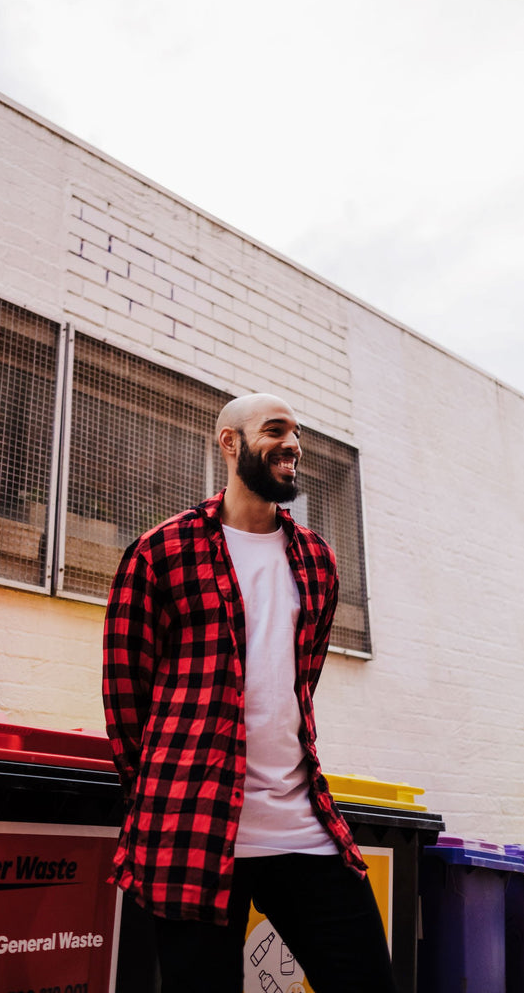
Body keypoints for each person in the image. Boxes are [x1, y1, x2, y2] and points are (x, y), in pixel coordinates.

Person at [103, 393, 396, 993]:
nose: (293, 444)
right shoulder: (161, 552)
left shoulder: (316, 559)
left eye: (297, 434)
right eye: (275, 430)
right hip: (192, 826)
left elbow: (300, 681)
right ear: (230, 443)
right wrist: (165, 790)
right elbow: (125, 694)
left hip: (300, 821)